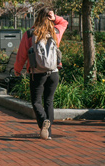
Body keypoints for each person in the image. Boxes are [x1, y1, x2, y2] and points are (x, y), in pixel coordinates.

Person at [14, 8, 68, 140]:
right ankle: (47, 132)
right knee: (49, 101)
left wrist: (17, 69)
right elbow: (64, 22)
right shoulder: (56, 32)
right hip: (53, 72)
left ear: (37, 18)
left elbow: (22, 55)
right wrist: (55, 17)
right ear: (49, 18)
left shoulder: (30, 34)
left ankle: (43, 121)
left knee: (36, 101)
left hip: (36, 73)